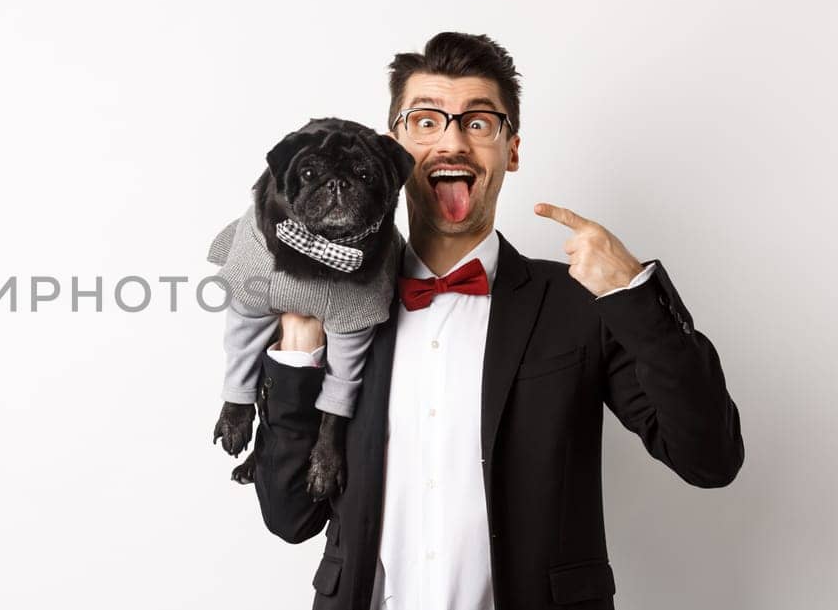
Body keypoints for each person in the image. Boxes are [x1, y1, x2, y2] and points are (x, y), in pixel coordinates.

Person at [248, 32, 745, 610]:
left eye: (478, 123)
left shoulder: (579, 304)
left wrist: (632, 293)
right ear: (392, 151)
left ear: (511, 150)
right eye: (427, 121)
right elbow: (290, 516)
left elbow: (711, 459)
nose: (453, 141)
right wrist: (300, 347)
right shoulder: (335, 305)